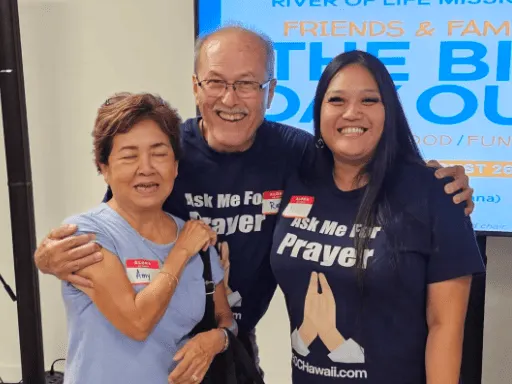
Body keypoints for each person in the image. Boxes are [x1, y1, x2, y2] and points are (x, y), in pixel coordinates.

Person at [33, 26, 475, 371]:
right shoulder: (164, 155)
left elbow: (360, 158)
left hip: (234, 344)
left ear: (271, 91)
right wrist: (49, 257)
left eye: (247, 84)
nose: (231, 99)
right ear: (195, 87)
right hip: (151, 350)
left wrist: (437, 181)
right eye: (216, 82)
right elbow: (108, 228)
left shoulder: (298, 153)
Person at [269, 50, 485, 383]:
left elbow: (446, 326)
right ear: (320, 111)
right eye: (337, 100)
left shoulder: (434, 194)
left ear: (389, 112)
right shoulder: (296, 180)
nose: (352, 112)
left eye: (369, 100)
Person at [58, 92, 236, 384]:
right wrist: (180, 252)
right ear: (103, 168)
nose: (147, 167)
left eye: (159, 153)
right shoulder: (85, 234)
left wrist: (217, 339)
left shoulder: (197, 241)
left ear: (176, 166)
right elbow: (137, 322)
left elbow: (225, 318)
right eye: (129, 156)